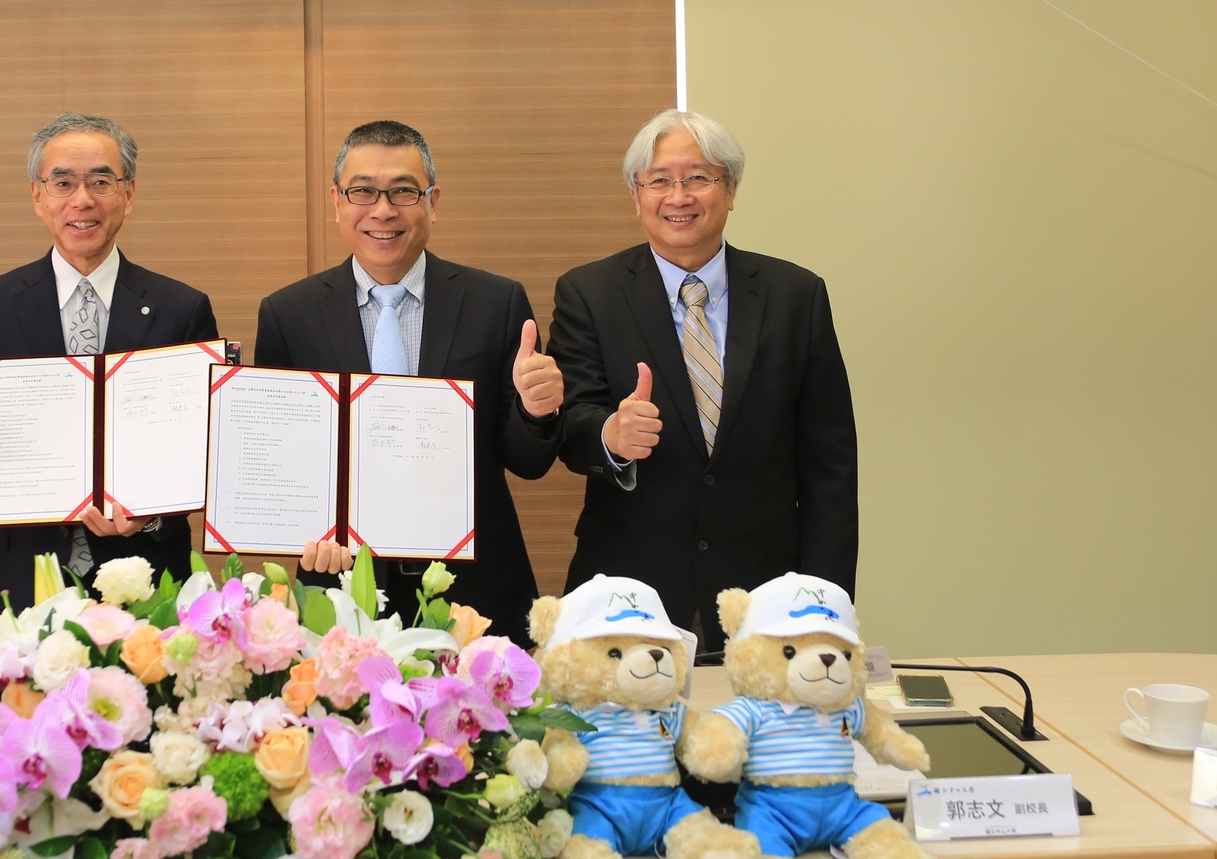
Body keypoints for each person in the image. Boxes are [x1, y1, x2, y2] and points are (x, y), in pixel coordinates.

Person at [547, 109, 857, 649]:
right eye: (660, 180)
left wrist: (827, 603)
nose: (679, 196)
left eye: (699, 178)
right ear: (636, 195)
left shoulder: (795, 296)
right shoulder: (588, 293)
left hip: (768, 592)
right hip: (628, 591)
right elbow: (571, 425)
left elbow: (830, 465)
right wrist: (611, 438)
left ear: (731, 190)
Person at [253, 120, 564, 648]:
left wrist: (537, 412)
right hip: (340, 590)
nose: (383, 210)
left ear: (432, 200)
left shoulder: (496, 303)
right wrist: (302, 532)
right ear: (336, 201)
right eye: (362, 192)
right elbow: (282, 460)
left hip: (477, 589)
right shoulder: (289, 314)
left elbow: (527, 462)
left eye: (403, 191)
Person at [0, 112, 217, 610]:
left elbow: (201, 454)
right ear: (38, 196)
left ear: (129, 193)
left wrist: (153, 515)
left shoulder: (182, 309)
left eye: (101, 181)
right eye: (63, 182)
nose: (83, 200)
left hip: (144, 578)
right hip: (16, 579)